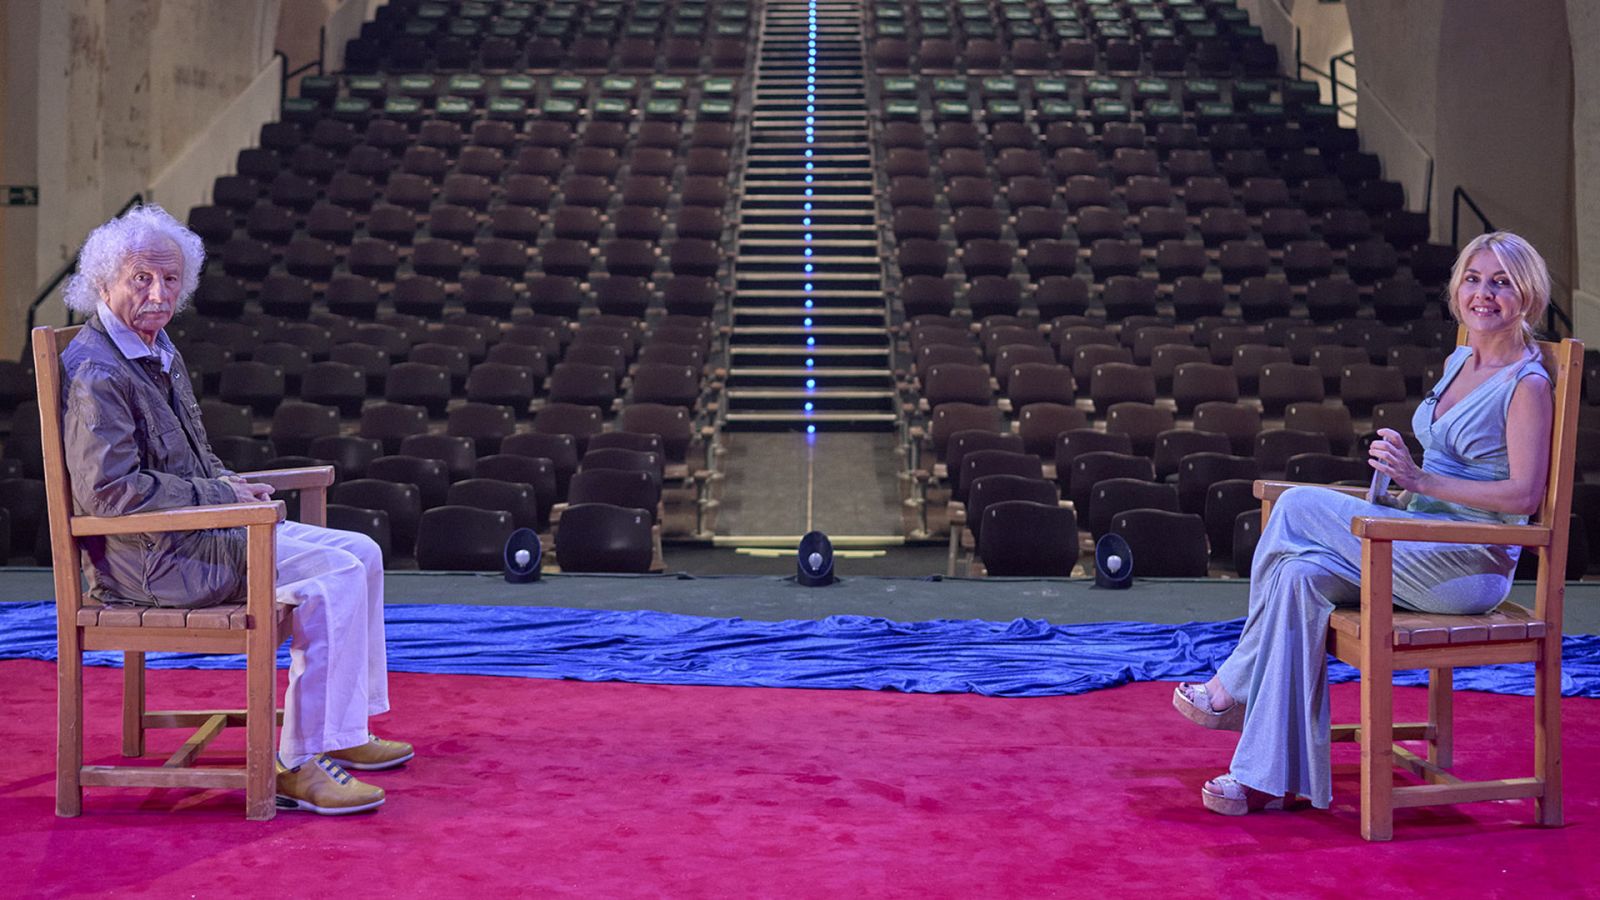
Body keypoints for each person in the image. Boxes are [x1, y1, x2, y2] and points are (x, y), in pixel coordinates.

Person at [1172, 231, 1556, 815]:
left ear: (1526, 295)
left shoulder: (1528, 384)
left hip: (1467, 564)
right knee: (1298, 576)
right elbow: (1446, 465)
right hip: (1416, 540)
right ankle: (1266, 777)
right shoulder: (1461, 359)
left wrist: (1422, 480)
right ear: (1457, 288)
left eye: (1501, 282)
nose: (1484, 293)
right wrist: (1403, 478)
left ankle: (1233, 685)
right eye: (1474, 279)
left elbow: (1523, 493)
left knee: (1299, 507)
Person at [59, 205, 412, 816]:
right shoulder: (97, 369)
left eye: (170, 280)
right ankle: (296, 762)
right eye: (141, 278)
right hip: (152, 561)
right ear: (103, 282)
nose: (158, 293)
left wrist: (225, 483)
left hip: (192, 534)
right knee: (336, 576)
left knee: (363, 551)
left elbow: (187, 462)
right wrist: (220, 496)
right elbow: (109, 493)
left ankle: (342, 730)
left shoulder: (156, 347)